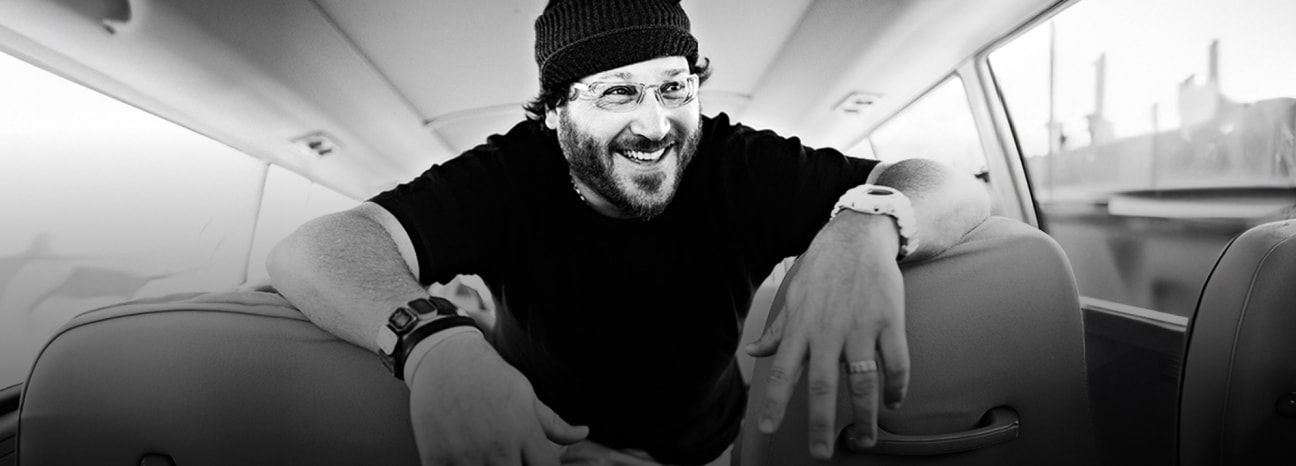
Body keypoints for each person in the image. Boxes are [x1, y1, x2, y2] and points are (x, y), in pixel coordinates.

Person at [267, 0, 990, 464]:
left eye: (675, 87)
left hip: (714, 447)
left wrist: (867, 223)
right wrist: (433, 346)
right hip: (548, 446)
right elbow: (315, 248)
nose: (654, 125)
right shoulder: (506, 176)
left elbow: (949, 183)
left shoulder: (738, 162)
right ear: (554, 113)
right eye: (616, 92)